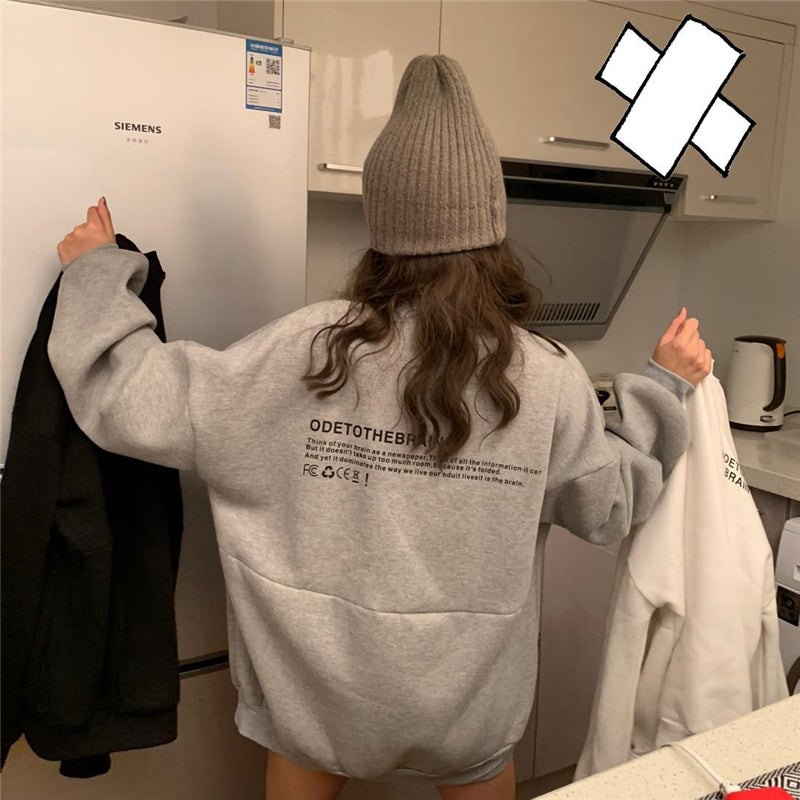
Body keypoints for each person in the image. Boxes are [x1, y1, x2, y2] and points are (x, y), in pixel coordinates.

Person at [51, 55, 709, 800]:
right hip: (469, 710)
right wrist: (664, 386)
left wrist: (96, 271)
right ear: (492, 231)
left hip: (315, 698)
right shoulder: (547, 375)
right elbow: (611, 505)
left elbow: (128, 396)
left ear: (382, 228)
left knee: (304, 759)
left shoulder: (303, 351)